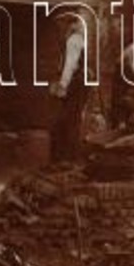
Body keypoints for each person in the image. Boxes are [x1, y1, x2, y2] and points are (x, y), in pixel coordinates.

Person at [49, 16, 91, 162]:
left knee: (69, 120)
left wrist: (62, 85)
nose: (60, 28)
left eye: (62, 24)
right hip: (77, 82)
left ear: (70, 24)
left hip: (76, 83)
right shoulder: (74, 39)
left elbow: (70, 65)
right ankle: (67, 157)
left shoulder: (74, 40)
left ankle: (68, 158)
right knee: (70, 120)